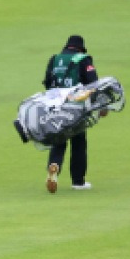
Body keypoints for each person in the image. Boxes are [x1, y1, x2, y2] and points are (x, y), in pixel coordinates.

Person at [43, 34, 99, 193]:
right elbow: (93, 83)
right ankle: (78, 182)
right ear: (80, 48)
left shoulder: (55, 59)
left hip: (56, 106)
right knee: (79, 143)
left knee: (58, 139)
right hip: (76, 107)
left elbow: (47, 83)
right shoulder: (83, 59)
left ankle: (54, 166)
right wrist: (99, 106)